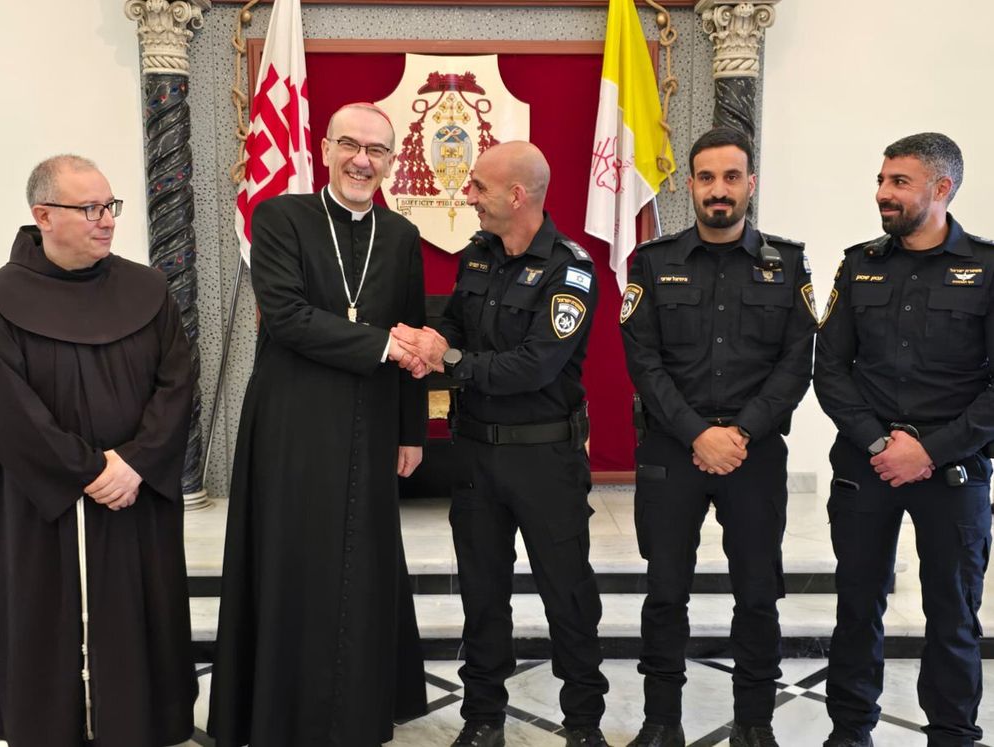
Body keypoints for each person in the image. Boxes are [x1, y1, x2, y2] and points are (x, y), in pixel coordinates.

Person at [207, 103, 429, 747]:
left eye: (378, 150)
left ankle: (357, 709)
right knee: (293, 555)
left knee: (362, 560)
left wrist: (411, 430)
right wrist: (384, 346)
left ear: (392, 161)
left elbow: (413, 327)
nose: (363, 160)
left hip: (372, 418)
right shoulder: (280, 217)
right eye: (351, 145)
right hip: (293, 420)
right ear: (326, 148)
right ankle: (282, 710)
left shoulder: (402, 236)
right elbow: (286, 316)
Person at [391, 140, 611, 747]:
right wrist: (428, 340)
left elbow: (534, 366)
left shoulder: (571, 269)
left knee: (567, 593)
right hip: (476, 456)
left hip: (544, 459)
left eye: (479, 188)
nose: (469, 196)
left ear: (516, 195)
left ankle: (584, 723)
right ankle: (483, 717)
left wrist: (450, 357)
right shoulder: (479, 256)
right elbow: (456, 325)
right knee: (483, 592)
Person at [619, 127, 817, 747]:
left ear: (750, 184)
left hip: (754, 456)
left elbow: (797, 361)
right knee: (664, 592)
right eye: (707, 177)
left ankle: (755, 722)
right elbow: (643, 361)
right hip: (671, 452)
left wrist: (741, 433)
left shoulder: (787, 264)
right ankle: (660, 722)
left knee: (758, 593)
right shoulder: (653, 263)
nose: (719, 190)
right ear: (689, 185)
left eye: (732, 177)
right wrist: (698, 433)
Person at [0, 155, 197, 747]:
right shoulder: (3, 297)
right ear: (43, 217)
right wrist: (86, 470)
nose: (107, 220)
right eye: (90, 209)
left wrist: (135, 462)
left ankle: (142, 722)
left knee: (143, 610)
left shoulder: (148, 286)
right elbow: (11, 408)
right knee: (47, 613)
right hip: (44, 504)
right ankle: (52, 726)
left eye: (110, 206)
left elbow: (177, 381)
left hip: (136, 495)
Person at [814, 133, 993, 747]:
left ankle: (952, 733)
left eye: (899, 182)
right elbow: (830, 369)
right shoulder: (859, 262)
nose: (882, 193)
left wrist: (930, 450)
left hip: (954, 472)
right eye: (882, 180)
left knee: (952, 615)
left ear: (941, 189)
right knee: (857, 607)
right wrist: (877, 444)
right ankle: (850, 731)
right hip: (868, 467)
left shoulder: (988, 269)